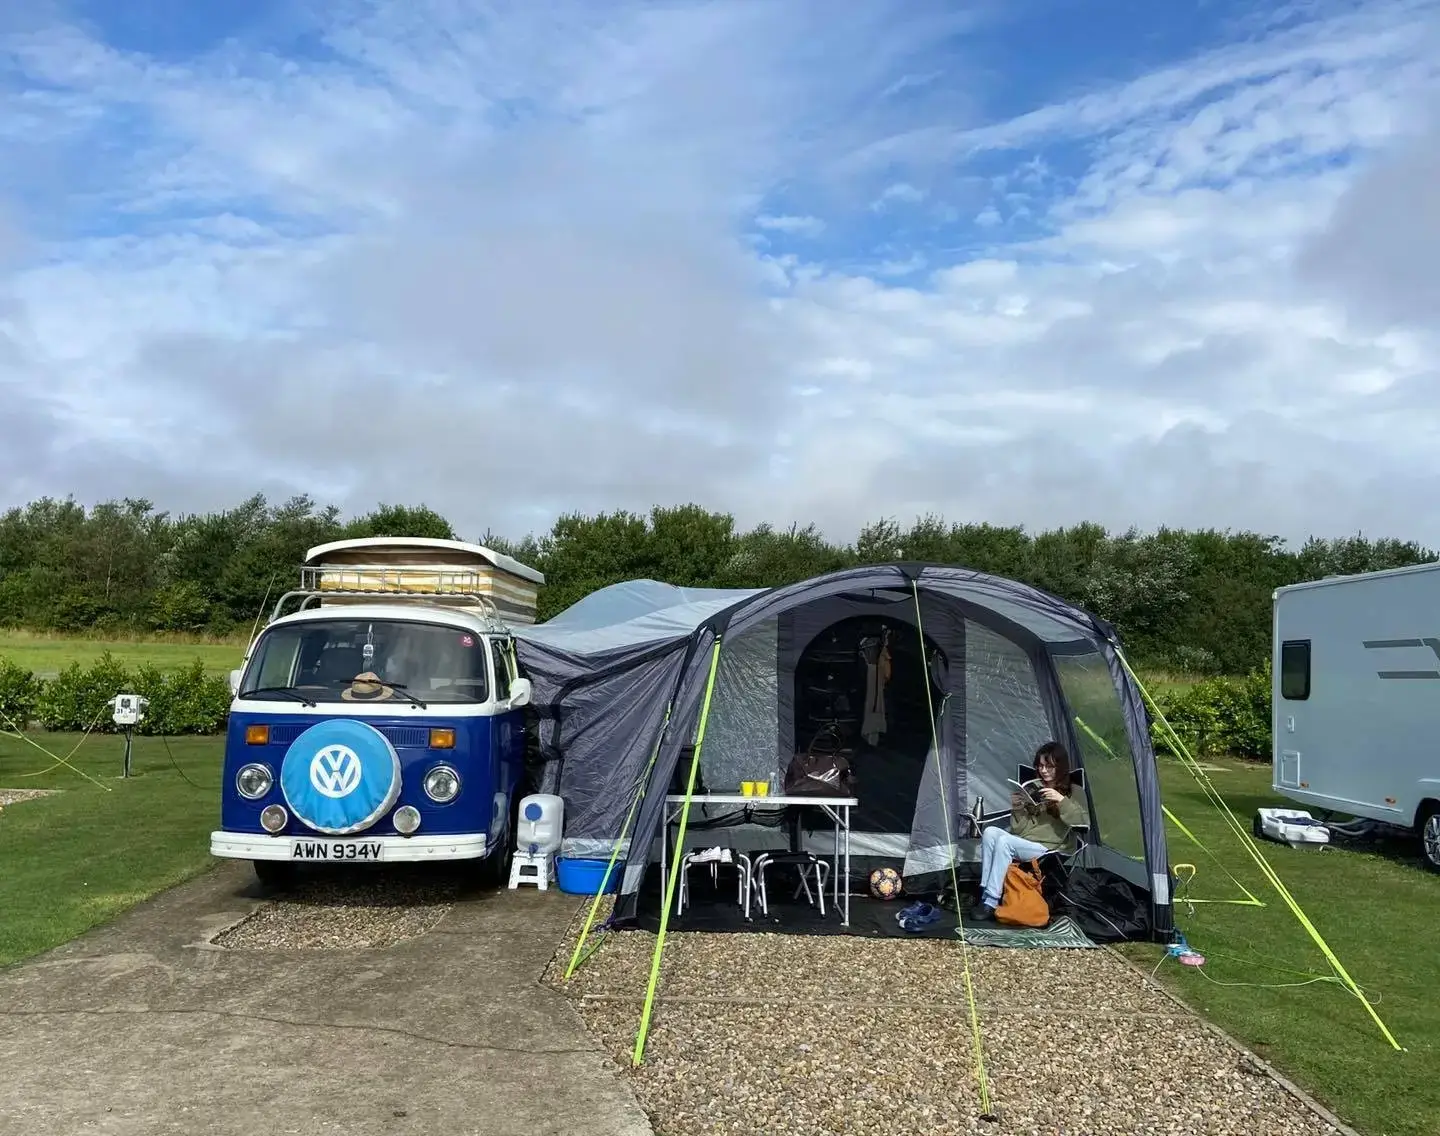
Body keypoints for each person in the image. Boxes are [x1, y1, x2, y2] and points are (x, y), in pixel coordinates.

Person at [969, 740, 1088, 922]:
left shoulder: (1074, 790)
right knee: (990, 832)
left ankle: (991, 901)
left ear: (1060, 766)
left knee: (1004, 842)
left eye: (1049, 766)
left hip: (1051, 847)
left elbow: (1082, 822)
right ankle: (985, 891)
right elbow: (1019, 830)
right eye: (1040, 766)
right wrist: (1018, 808)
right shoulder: (1036, 788)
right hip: (1026, 843)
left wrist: (1061, 800)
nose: (1044, 770)